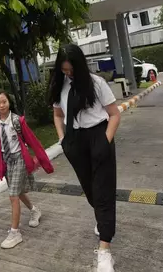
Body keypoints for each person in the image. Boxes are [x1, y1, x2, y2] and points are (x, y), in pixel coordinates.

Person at [48, 44, 121, 272]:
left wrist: (105, 141)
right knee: (90, 191)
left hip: (98, 135)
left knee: (103, 192)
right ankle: (102, 220)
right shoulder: (60, 85)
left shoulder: (95, 83)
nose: (68, 73)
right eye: (64, 70)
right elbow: (58, 114)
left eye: (71, 69)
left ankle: (104, 251)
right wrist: (62, 139)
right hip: (74, 141)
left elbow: (115, 114)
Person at [0, 91, 54, 249]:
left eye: (4, 101)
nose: (2, 105)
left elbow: (33, 141)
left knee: (12, 196)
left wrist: (45, 163)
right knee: (17, 192)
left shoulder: (18, 121)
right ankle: (34, 210)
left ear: (9, 102)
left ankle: (15, 232)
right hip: (6, 162)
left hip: (19, 159)